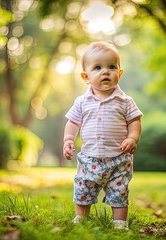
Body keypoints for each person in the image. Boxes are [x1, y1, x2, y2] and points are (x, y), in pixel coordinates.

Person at [62, 41, 142, 230]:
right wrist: (68, 140)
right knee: (83, 186)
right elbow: (73, 122)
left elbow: (135, 121)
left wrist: (132, 138)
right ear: (86, 76)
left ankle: (120, 222)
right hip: (89, 158)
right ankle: (81, 217)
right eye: (97, 67)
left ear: (119, 74)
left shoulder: (125, 101)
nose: (105, 71)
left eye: (111, 67)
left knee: (119, 190)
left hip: (119, 159)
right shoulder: (82, 101)